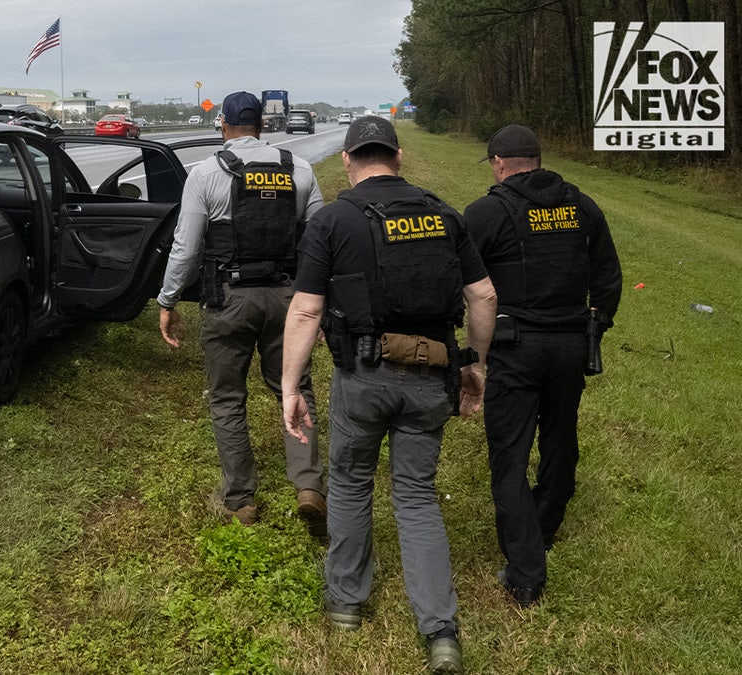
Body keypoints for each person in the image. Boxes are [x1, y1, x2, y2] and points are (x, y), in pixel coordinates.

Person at [281, 116, 496, 674]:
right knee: (418, 496)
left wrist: (289, 386)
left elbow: (305, 309)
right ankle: (440, 632)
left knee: (351, 483)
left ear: (350, 162)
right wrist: (476, 366)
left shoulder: (332, 222)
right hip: (430, 377)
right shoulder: (445, 214)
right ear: (397, 157)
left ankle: (348, 605)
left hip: (362, 379)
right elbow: (484, 296)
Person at [464, 124, 622, 608]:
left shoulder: (487, 212)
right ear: (538, 158)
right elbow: (609, 274)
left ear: (498, 163)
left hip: (515, 349)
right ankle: (544, 523)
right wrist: (598, 321)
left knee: (508, 455)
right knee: (561, 438)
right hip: (572, 343)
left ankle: (526, 572)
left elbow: (464, 279)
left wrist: (473, 352)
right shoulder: (582, 204)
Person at [156, 90, 326, 533]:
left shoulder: (207, 173)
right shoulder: (300, 170)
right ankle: (308, 486)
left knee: (228, 397)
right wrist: (320, 307)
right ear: (264, 126)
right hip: (289, 300)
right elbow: (318, 245)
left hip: (228, 299)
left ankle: (240, 500)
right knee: (295, 387)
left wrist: (168, 299)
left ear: (225, 126)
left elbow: (187, 247)